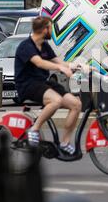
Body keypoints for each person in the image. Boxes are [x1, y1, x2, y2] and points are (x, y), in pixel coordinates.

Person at [14, 16, 84, 155]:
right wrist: (60, 69)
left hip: (43, 83)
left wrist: (79, 66)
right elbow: (39, 62)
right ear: (44, 29)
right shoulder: (26, 46)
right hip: (27, 84)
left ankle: (64, 143)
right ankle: (34, 129)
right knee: (56, 101)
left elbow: (59, 61)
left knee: (76, 104)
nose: (52, 31)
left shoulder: (44, 45)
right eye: (51, 28)